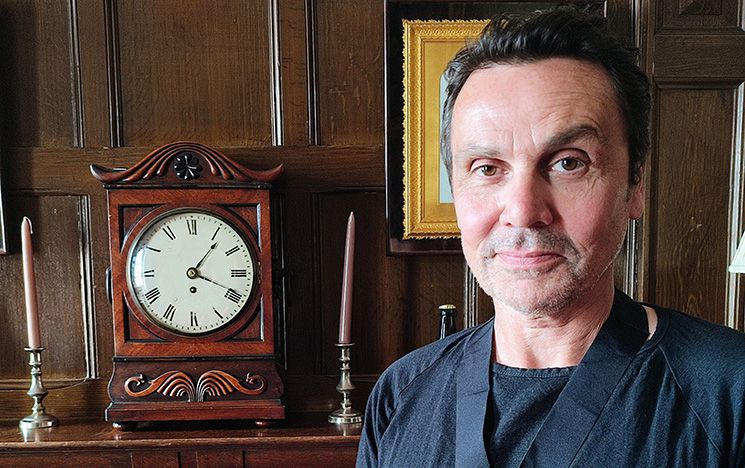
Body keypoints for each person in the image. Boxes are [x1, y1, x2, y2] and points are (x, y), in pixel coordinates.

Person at [357, 6, 745, 467]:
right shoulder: (401, 395)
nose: (523, 212)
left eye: (569, 162)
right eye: (486, 168)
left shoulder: (728, 392)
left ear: (634, 184)